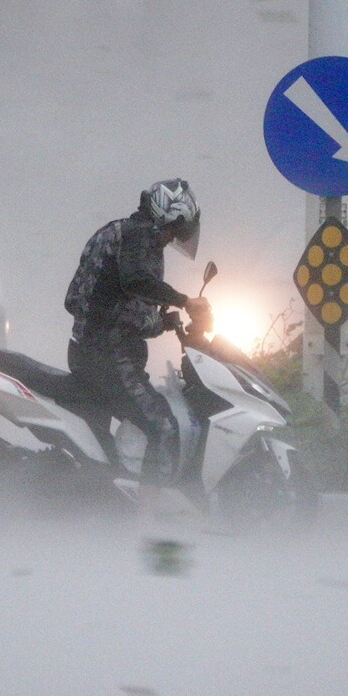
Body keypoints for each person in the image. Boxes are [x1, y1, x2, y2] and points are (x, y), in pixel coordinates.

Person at [64, 178, 209, 486]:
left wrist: (162, 322)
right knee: (163, 426)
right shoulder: (140, 237)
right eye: (174, 231)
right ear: (166, 217)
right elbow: (135, 283)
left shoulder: (115, 232)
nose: (172, 239)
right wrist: (184, 302)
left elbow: (77, 300)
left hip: (87, 353)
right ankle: (147, 521)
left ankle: (111, 493)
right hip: (110, 359)